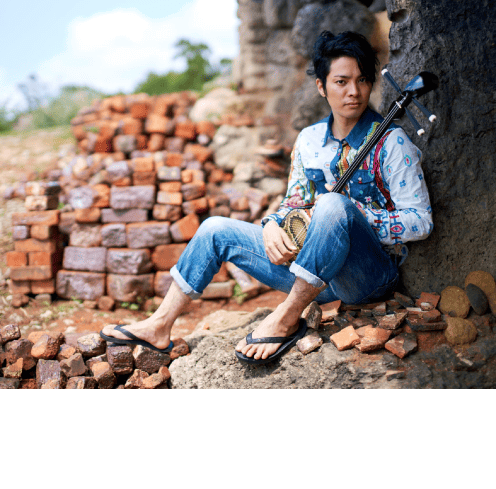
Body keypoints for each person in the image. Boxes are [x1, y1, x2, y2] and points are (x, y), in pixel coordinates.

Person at [101, 30, 433, 365]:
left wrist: (351, 215)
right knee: (215, 229)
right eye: (341, 82)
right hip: (316, 276)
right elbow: (294, 201)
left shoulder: (392, 141)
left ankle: (287, 317)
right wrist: (272, 223)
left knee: (333, 205)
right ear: (321, 86)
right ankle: (159, 325)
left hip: (366, 278)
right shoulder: (309, 140)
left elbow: (421, 221)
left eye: (362, 80)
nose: (353, 92)